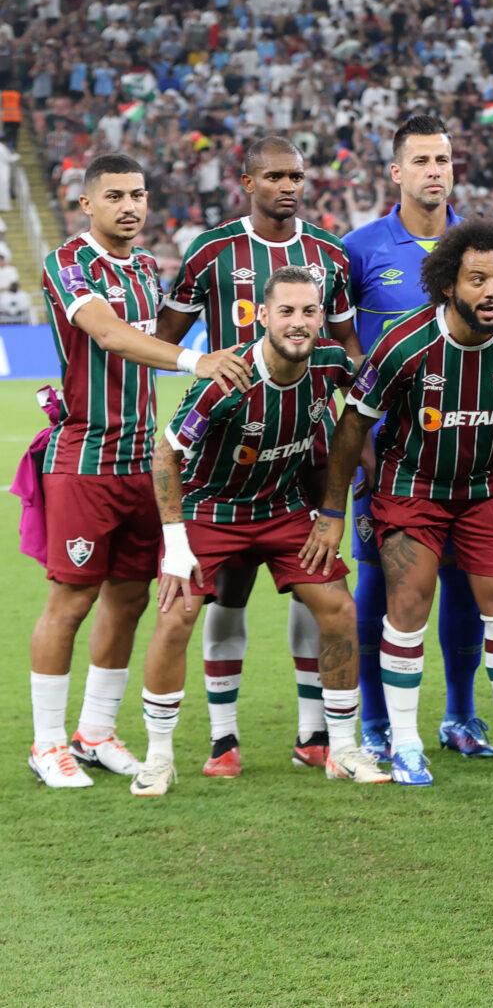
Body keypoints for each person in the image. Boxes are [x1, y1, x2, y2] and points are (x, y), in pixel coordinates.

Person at [305, 219, 493, 785]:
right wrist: (334, 514)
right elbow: (350, 427)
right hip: (413, 489)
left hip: (489, 489)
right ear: (447, 285)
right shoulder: (404, 344)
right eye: (477, 279)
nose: (492, 291)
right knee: (407, 606)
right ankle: (406, 743)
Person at [28, 153, 250, 788]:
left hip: (142, 467)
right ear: (87, 204)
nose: (130, 206)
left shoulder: (149, 268)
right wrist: (194, 359)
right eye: (116, 195)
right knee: (70, 600)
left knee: (127, 600)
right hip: (85, 460)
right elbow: (108, 335)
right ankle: (46, 744)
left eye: (139, 195)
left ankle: (95, 731)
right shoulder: (67, 263)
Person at [132, 268, 387, 796]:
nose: (299, 323)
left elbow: (360, 415)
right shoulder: (228, 379)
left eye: (309, 311)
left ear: (322, 317)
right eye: (287, 312)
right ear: (263, 317)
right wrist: (176, 545)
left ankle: (341, 749)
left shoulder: (331, 364)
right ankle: (158, 758)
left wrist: (332, 508)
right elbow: (166, 454)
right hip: (211, 510)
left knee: (339, 608)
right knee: (175, 615)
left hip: (283, 508)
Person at [155, 134, 362, 777]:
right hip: (224, 444)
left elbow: (348, 351)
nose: (288, 186)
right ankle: (221, 739)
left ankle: (315, 734)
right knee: (227, 598)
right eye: (274, 176)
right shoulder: (210, 251)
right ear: (247, 181)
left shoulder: (329, 254)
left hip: (297, 456)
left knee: (316, 592)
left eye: (296, 175)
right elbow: (163, 341)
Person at [343, 114, 493, 762]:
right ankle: (375, 719)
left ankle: (461, 714)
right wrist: (360, 434)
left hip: (467, 444)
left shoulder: (479, 248)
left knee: (466, 580)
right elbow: (341, 341)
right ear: (397, 172)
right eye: (423, 160)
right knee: (380, 578)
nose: (436, 170)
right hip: (388, 451)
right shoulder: (361, 248)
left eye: (445, 159)